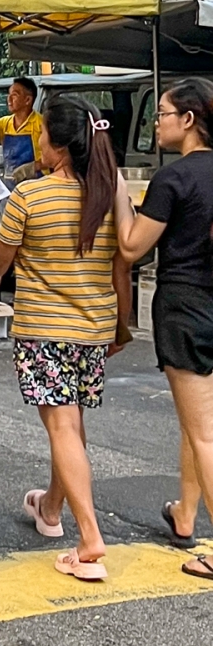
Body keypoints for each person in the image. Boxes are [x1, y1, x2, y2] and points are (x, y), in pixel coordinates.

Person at [0, 96, 131, 582]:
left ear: (60, 144)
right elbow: (121, 266)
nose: (37, 142)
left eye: (43, 134)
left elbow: (0, 255)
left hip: (45, 329)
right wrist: (121, 324)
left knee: (62, 426)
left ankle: (89, 539)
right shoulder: (109, 195)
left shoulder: (31, 196)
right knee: (71, 422)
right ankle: (49, 508)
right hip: (92, 328)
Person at [112, 78, 213, 581]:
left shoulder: (174, 180)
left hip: (185, 309)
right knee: (197, 427)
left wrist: (117, 193)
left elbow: (132, 247)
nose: (157, 121)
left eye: (164, 113)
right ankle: (186, 515)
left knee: (205, 433)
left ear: (189, 120)